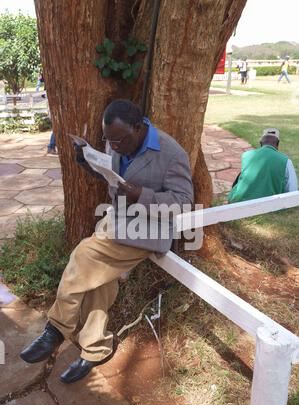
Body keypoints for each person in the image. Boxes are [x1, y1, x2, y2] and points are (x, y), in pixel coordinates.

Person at [20, 99, 194, 384]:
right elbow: (111, 176)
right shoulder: (118, 140)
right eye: (107, 139)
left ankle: (56, 329)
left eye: (117, 140)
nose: (112, 145)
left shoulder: (170, 152)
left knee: (84, 255)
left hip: (148, 227)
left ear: (138, 128)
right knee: (98, 281)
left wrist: (141, 194)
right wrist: (87, 160)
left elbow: (184, 203)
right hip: (117, 220)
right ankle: (95, 349)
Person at [228, 128, 297, 203]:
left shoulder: (246, 155)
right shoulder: (286, 161)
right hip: (271, 204)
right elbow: (292, 190)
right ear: (278, 143)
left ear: (261, 143)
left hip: (239, 201)